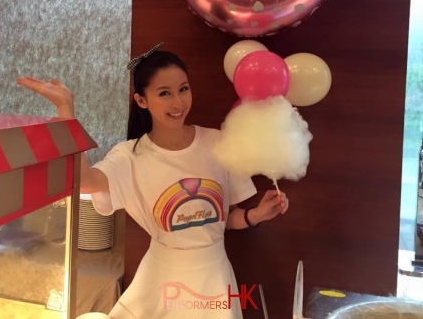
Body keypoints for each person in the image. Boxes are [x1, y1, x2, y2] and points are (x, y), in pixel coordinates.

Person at [17, 44, 289, 319]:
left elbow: (221, 221)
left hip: (214, 277)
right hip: (161, 278)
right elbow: (84, 181)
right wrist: (67, 111)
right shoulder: (131, 157)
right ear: (141, 100)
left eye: (183, 89)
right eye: (164, 93)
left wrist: (256, 215)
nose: (178, 103)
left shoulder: (218, 143)